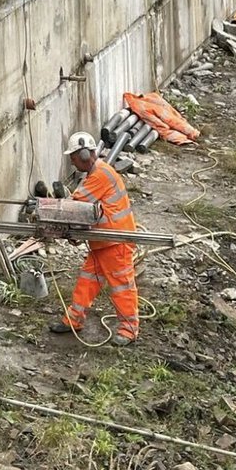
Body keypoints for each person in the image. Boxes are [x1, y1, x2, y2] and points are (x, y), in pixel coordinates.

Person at [50, 130, 139, 347]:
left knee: (121, 286)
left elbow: (77, 205)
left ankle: (129, 330)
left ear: (82, 155)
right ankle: (74, 319)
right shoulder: (96, 173)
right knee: (87, 281)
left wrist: (51, 212)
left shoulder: (100, 175)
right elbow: (90, 211)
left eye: (73, 158)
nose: (73, 163)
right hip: (103, 241)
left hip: (116, 242)